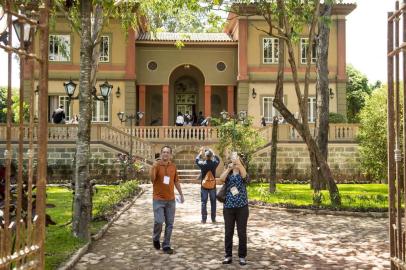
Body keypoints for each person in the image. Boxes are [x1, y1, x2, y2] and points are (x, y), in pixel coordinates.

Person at [150, 146, 184, 254]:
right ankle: (156, 238)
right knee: (159, 221)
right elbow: (152, 180)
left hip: (171, 200)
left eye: (167, 152)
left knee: (170, 224)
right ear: (161, 154)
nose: (165, 154)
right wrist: (153, 168)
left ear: (170, 155)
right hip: (158, 199)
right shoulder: (156, 165)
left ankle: (166, 245)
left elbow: (176, 181)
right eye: (163, 152)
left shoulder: (173, 166)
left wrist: (181, 194)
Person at [218, 153, 249, 266]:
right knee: (228, 232)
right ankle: (228, 255)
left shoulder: (242, 171)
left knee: (242, 232)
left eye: (236, 159)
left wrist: (239, 164)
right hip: (229, 207)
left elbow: (245, 177)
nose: (234, 161)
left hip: (242, 207)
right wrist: (229, 168)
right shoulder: (229, 172)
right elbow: (221, 179)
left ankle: (242, 256)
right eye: (232, 159)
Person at [195, 146, 220, 223]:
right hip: (212, 186)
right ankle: (213, 219)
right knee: (213, 202)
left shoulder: (202, 164)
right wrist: (214, 153)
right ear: (211, 156)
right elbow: (218, 160)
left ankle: (204, 219)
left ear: (205, 156)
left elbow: (196, 160)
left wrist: (200, 152)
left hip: (204, 186)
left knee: (203, 202)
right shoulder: (214, 163)